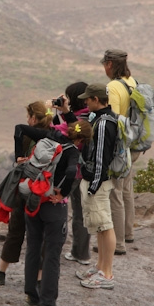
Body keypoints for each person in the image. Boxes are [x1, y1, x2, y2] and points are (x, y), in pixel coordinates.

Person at [18, 120, 86, 306]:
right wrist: (63, 193)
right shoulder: (72, 152)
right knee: (52, 254)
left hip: (34, 200)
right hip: (53, 207)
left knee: (33, 247)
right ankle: (48, 304)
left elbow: (21, 130)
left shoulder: (49, 138)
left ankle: (32, 297)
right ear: (81, 140)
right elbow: (72, 171)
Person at [0, 100, 52, 286]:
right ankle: (39, 279)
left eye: (29, 117)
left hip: (24, 190)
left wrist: (18, 157)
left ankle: (0, 272)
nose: (27, 120)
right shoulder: (55, 136)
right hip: (44, 193)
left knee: (15, 231)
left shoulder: (28, 136)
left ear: (34, 118)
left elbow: (19, 154)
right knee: (40, 236)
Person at [76, 83, 118, 290]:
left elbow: (101, 157)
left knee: (105, 225)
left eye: (88, 99)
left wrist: (93, 186)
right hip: (97, 180)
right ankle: (100, 266)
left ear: (96, 99)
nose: (85, 102)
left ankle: (107, 274)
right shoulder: (101, 119)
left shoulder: (103, 124)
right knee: (100, 227)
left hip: (98, 182)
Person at [101, 49, 139, 256]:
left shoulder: (113, 87)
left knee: (114, 193)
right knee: (126, 190)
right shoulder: (132, 82)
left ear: (109, 64)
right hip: (132, 143)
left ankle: (118, 243)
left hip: (119, 147)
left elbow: (112, 118)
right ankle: (128, 232)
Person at [52, 81, 92, 264]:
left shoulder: (81, 120)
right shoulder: (89, 115)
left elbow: (65, 132)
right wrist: (63, 112)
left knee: (57, 206)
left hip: (72, 172)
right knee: (81, 213)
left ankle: (52, 246)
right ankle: (81, 253)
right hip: (84, 172)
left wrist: (47, 115)